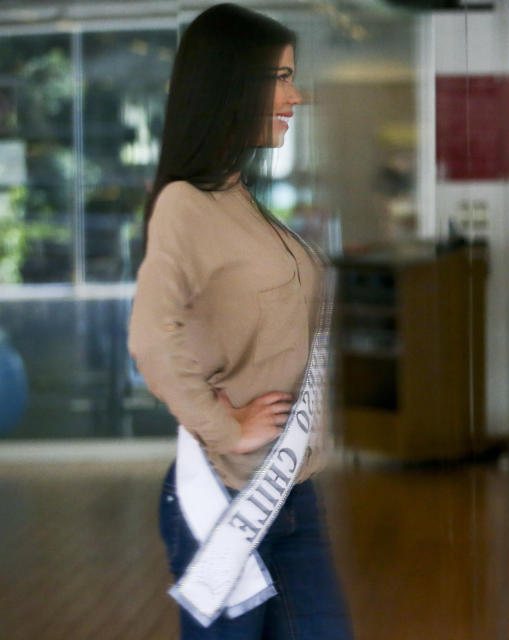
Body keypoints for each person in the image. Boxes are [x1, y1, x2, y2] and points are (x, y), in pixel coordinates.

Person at [128, 4, 351, 638]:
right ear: (235, 84)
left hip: (292, 492)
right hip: (227, 494)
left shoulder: (238, 200)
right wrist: (223, 427)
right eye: (281, 78)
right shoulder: (185, 205)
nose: (296, 96)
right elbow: (149, 336)